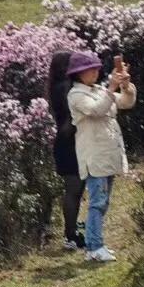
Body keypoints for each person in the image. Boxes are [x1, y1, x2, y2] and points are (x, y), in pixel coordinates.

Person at [67, 50, 136, 263]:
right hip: (94, 156)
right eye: (90, 69)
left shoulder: (97, 90)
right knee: (97, 202)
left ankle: (93, 244)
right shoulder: (76, 95)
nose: (96, 72)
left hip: (107, 154)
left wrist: (125, 86)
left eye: (97, 68)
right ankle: (95, 246)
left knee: (103, 202)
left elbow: (125, 102)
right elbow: (96, 110)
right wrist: (112, 87)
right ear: (79, 73)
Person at [47, 51, 86, 250]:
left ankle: (72, 232)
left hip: (65, 143)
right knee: (73, 190)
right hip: (70, 143)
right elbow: (73, 116)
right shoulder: (66, 88)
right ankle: (70, 236)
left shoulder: (55, 86)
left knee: (74, 191)